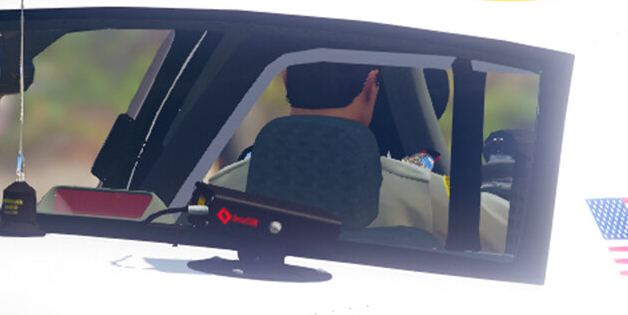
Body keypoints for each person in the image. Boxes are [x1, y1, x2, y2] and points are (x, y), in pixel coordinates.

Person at [207, 63, 510, 253]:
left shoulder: (223, 190)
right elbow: (512, 232)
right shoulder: (422, 195)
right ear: (371, 86)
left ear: (285, 78)